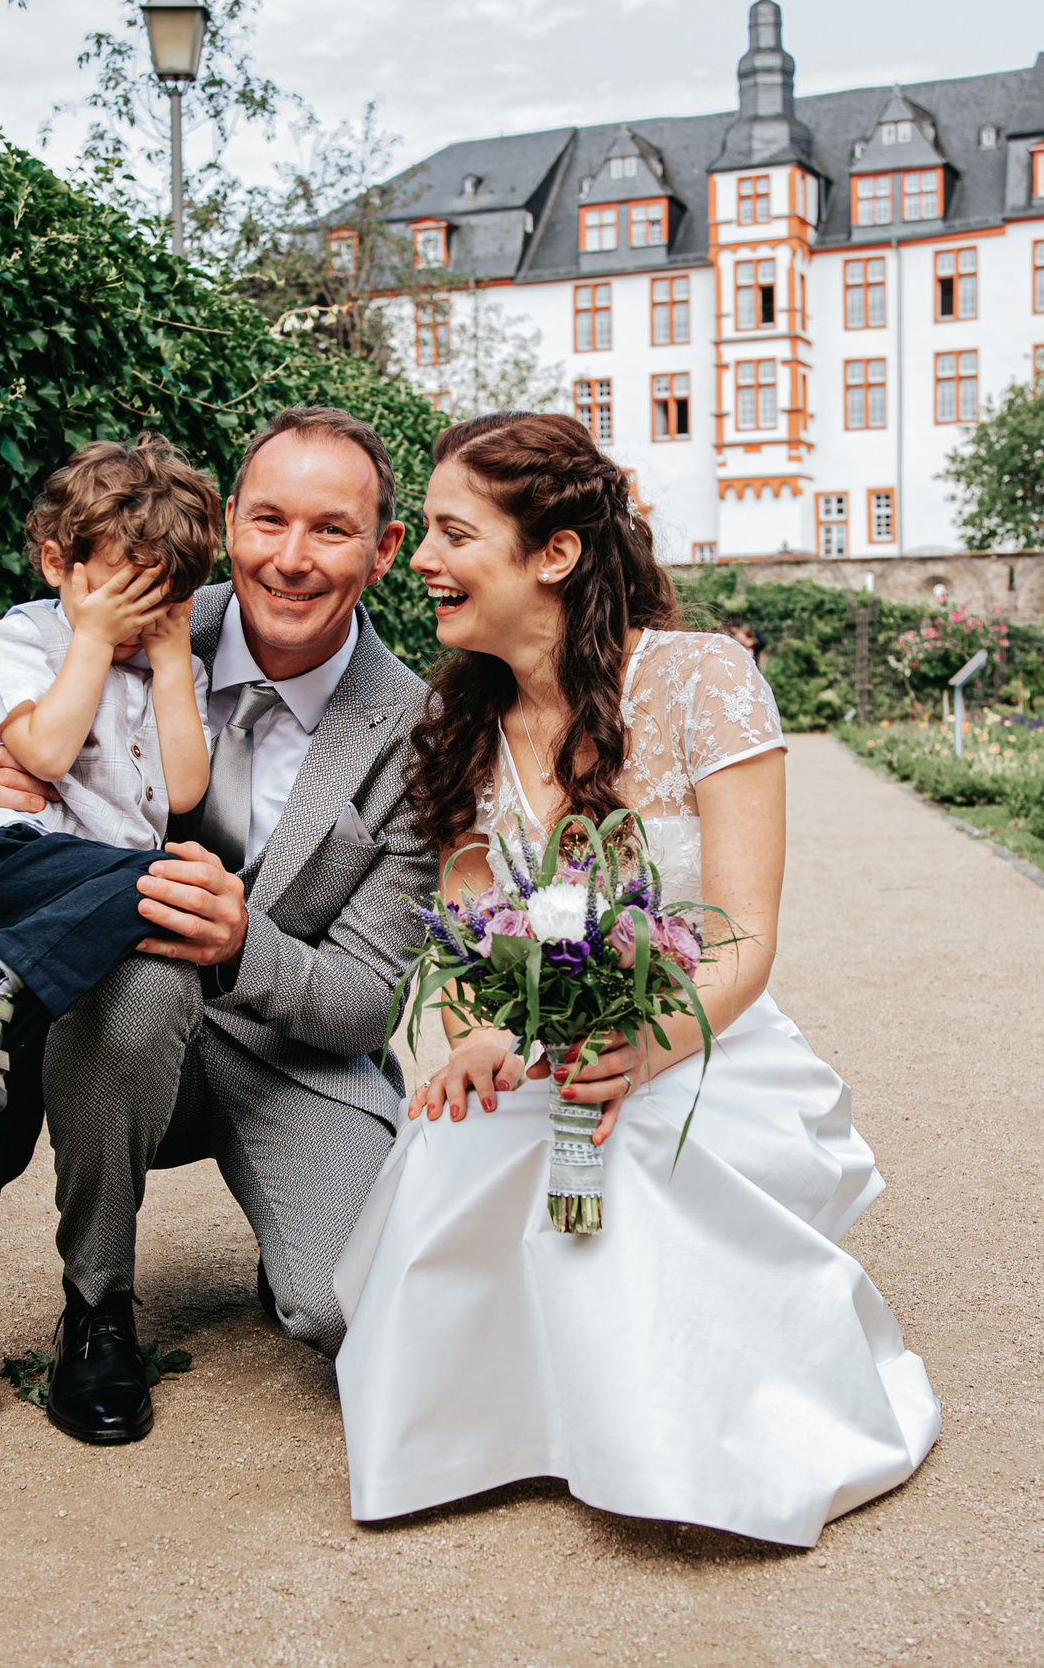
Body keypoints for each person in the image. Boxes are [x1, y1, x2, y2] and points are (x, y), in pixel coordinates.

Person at [332, 412, 940, 1546]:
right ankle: (501, 1429)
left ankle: (687, 1440)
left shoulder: (702, 679)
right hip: (538, 1050)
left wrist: (638, 1051)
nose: (418, 555)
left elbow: (743, 938)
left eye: (455, 533)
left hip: (694, 1038)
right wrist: (472, 1033)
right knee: (459, 1155)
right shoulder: (463, 720)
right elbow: (476, 930)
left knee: (638, 1176)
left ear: (551, 555)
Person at [0, 405, 432, 1445]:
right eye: (267, 521)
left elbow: (369, 995)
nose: (290, 560)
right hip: (119, 1023)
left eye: (331, 530)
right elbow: (32, 750)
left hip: (290, 1046)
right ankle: (98, 1308)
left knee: (346, 1307)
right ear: (231, 525)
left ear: (383, 548)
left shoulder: (418, 733)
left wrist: (242, 942)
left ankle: (292, 1220)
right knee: (144, 970)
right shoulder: (131, 595)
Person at [0, 436, 217, 1121]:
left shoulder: (169, 669)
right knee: (170, 881)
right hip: (4, 866)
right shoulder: (21, 641)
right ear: (56, 563)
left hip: (77, 908)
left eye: (156, 598)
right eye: (118, 592)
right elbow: (44, 753)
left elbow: (185, 790)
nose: (134, 620)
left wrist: (170, 660)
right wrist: (94, 640)